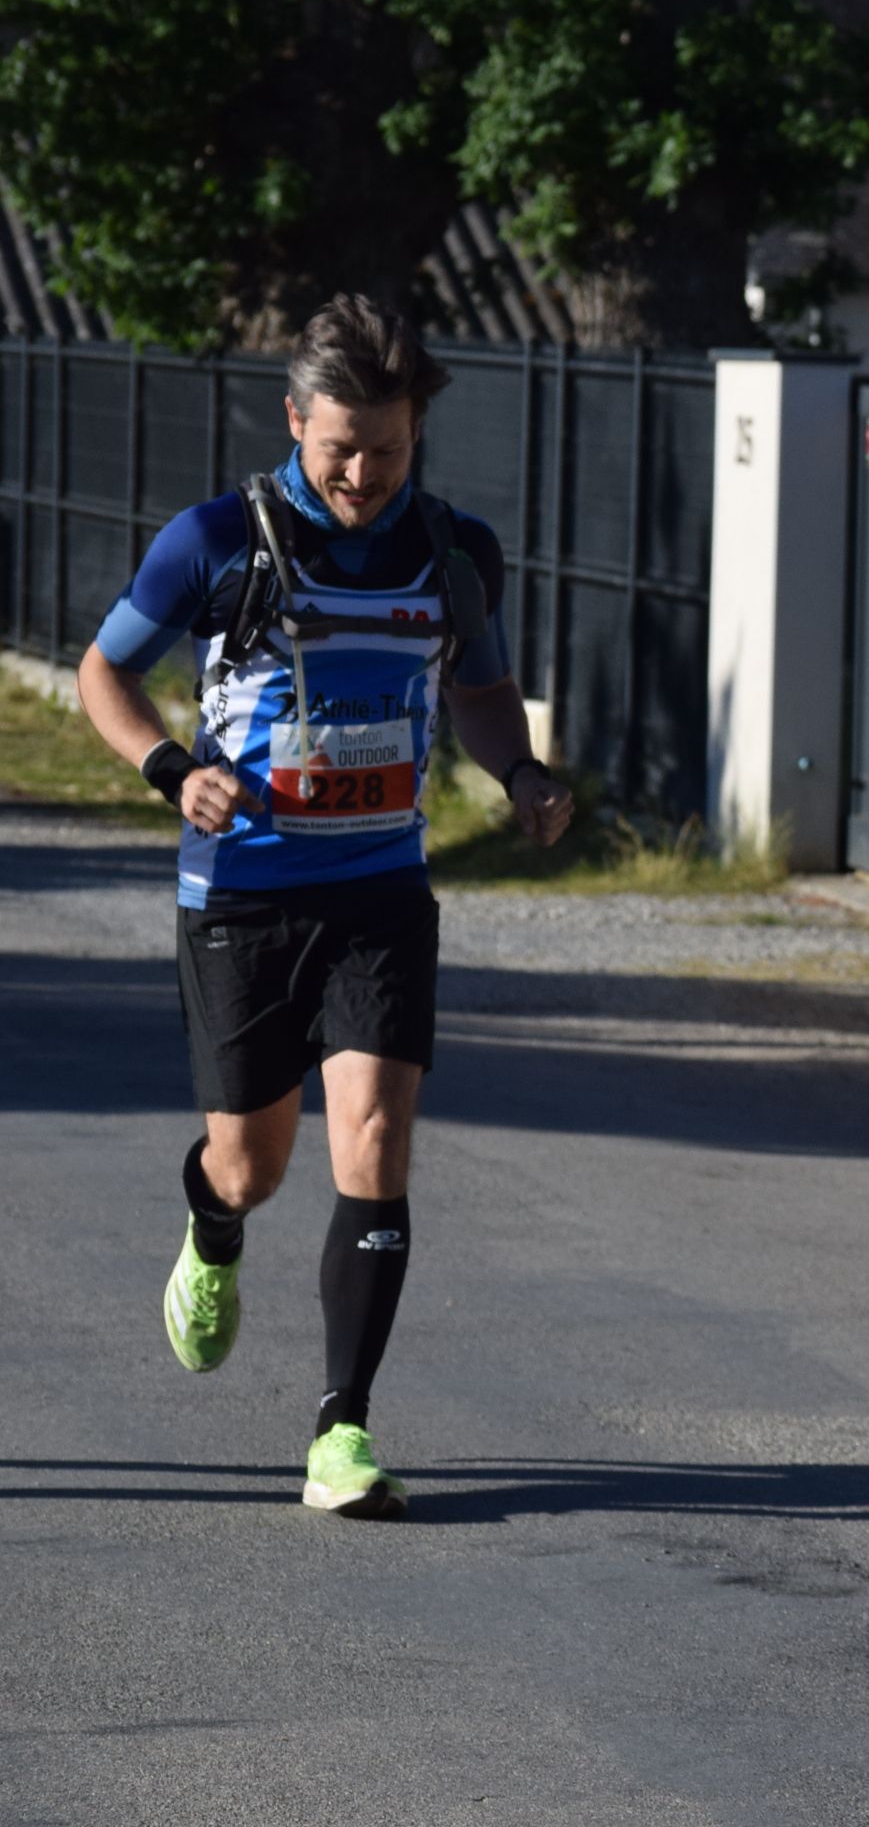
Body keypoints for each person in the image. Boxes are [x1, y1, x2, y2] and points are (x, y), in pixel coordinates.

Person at [76, 294, 574, 1519]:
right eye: (342, 446)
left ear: (416, 435)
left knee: (376, 1141)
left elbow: (481, 689)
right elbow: (104, 669)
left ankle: (341, 1429)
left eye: (387, 449)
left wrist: (518, 771)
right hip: (244, 891)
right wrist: (168, 768)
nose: (362, 474)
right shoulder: (214, 541)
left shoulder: (455, 552)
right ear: (295, 418)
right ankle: (213, 1227)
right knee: (252, 1164)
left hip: (380, 888)